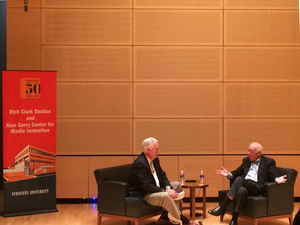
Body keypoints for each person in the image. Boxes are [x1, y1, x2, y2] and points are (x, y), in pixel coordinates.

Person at [208, 142, 287, 225]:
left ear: (259, 153)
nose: (248, 153)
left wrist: (277, 178)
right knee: (241, 190)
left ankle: (222, 206)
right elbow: (237, 172)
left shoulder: (268, 162)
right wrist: (229, 174)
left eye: (251, 151)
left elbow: (272, 173)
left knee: (239, 179)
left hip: (257, 186)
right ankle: (234, 220)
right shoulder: (246, 160)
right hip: (245, 186)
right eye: (248, 151)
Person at [130, 137, 201, 225]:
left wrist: (168, 188)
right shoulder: (140, 163)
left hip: (156, 189)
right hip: (145, 194)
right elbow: (146, 186)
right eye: (157, 149)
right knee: (166, 196)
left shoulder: (155, 160)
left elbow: (162, 175)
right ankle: (185, 220)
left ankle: (164, 217)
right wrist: (165, 191)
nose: (159, 151)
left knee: (177, 185)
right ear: (149, 150)